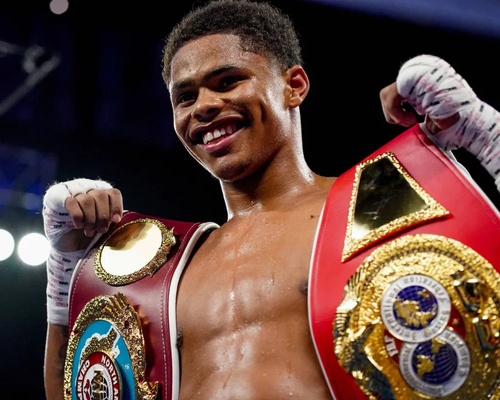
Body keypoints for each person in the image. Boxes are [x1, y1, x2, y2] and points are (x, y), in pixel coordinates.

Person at [43, 1, 500, 399]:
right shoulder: (171, 265)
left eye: (226, 81)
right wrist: (64, 276)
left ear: (294, 86)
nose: (203, 105)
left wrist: (486, 135)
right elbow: (73, 389)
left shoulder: (376, 206)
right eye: (185, 96)